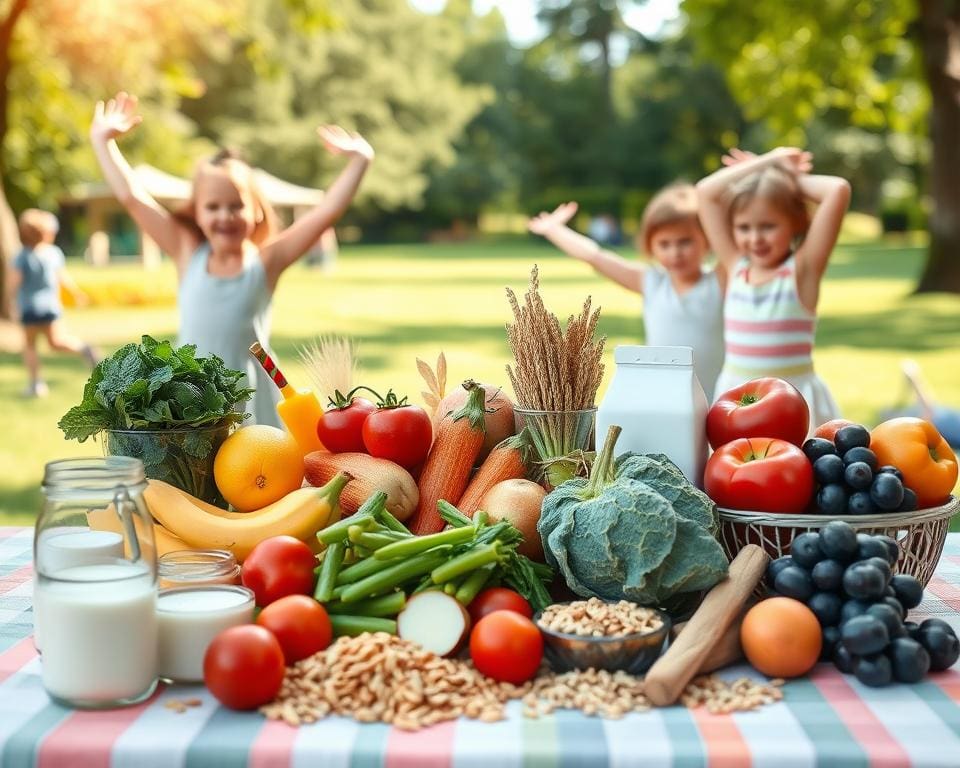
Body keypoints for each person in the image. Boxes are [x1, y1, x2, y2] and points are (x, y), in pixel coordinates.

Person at [89, 92, 373, 427]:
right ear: (198, 212)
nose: (225, 215)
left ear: (255, 210)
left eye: (236, 205)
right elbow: (132, 198)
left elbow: (326, 212)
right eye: (212, 206)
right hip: (191, 396)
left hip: (250, 398)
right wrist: (102, 142)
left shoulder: (267, 262)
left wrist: (361, 160)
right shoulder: (185, 251)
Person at [696, 146, 851, 430]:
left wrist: (779, 175)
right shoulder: (735, 268)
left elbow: (837, 190)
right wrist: (766, 163)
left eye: (768, 226)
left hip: (794, 405)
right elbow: (705, 192)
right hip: (737, 403)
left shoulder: (803, 271)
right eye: (744, 227)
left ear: (795, 223)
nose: (755, 238)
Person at [527, 183, 725, 399]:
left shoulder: (720, 280)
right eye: (664, 244)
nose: (675, 252)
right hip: (664, 399)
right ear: (651, 245)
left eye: (685, 242)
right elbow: (595, 256)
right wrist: (554, 230)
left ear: (707, 240)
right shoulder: (652, 282)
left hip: (716, 399)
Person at [6, 209, 98, 397]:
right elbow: (63, 278)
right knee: (56, 342)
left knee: (30, 346)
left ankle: (36, 385)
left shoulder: (21, 256)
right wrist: (77, 293)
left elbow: (13, 283)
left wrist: (9, 301)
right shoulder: (53, 253)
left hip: (29, 308)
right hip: (50, 308)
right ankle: (84, 349)